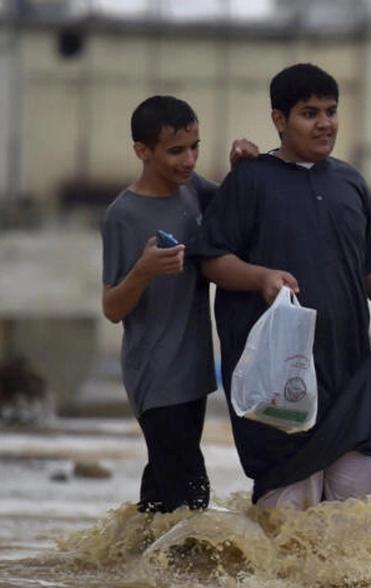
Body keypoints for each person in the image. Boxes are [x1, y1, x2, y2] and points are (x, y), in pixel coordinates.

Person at [194, 63, 371, 510]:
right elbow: (212, 261)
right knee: (285, 525)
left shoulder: (351, 182)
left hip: (351, 373)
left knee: (358, 523)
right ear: (279, 120)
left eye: (331, 111)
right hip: (280, 378)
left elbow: (370, 262)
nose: (325, 124)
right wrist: (260, 277)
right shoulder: (250, 180)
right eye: (309, 113)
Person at [100, 95, 258, 513]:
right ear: (142, 151)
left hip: (194, 374)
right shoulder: (123, 215)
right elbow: (112, 308)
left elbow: (236, 210)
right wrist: (143, 270)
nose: (188, 160)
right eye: (175, 151)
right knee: (191, 494)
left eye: (195, 148)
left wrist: (243, 169)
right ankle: (178, 574)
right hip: (155, 376)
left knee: (161, 495)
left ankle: (129, 571)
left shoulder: (194, 192)